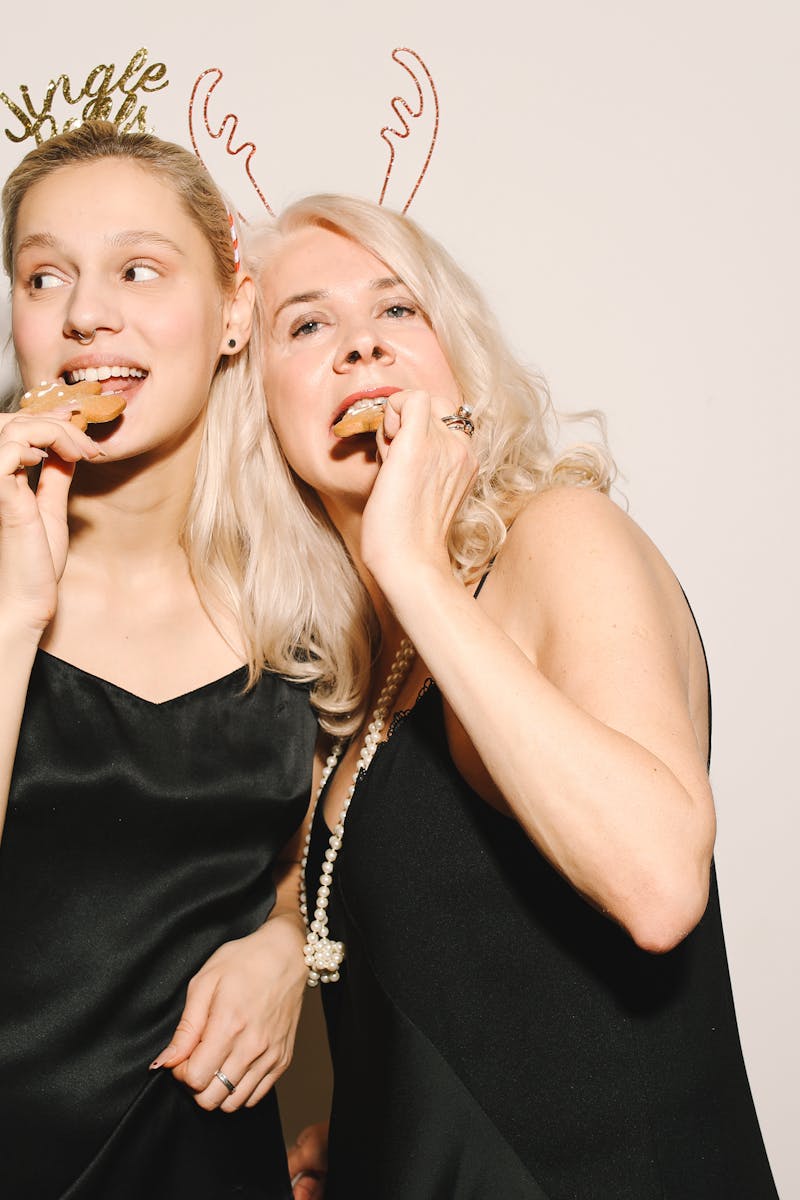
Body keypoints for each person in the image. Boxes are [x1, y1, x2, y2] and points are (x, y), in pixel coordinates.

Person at [249, 195, 780, 1199]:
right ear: (258, 405)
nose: (362, 346)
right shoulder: (359, 689)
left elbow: (658, 882)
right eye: (307, 323)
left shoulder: (557, 537)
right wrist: (368, 1136)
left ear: (458, 365)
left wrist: (409, 563)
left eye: (397, 311)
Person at [0, 122, 318, 1199]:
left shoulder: (305, 597)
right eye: (45, 276)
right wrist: (11, 614)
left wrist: (287, 945)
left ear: (233, 312)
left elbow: (304, 860)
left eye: (138, 268)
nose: (88, 311)